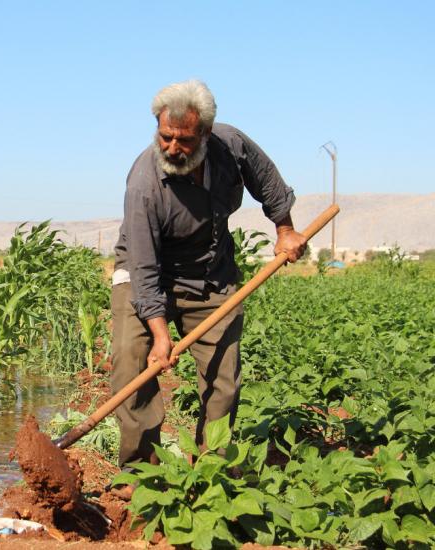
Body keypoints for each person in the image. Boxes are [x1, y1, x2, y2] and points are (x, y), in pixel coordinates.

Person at [110, 80, 306, 494]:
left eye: (184, 139)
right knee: (132, 362)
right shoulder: (145, 184)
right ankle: (139, 471)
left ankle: (210, 468)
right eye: (165, 136)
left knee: (223, 376)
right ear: (156, 127)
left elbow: (266, 178)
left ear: (206, 133)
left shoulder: (230, 146)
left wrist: (285, 229)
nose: (172, 148)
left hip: (211, 274)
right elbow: (144, 267)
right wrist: (160, 334)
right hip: (148, 273)